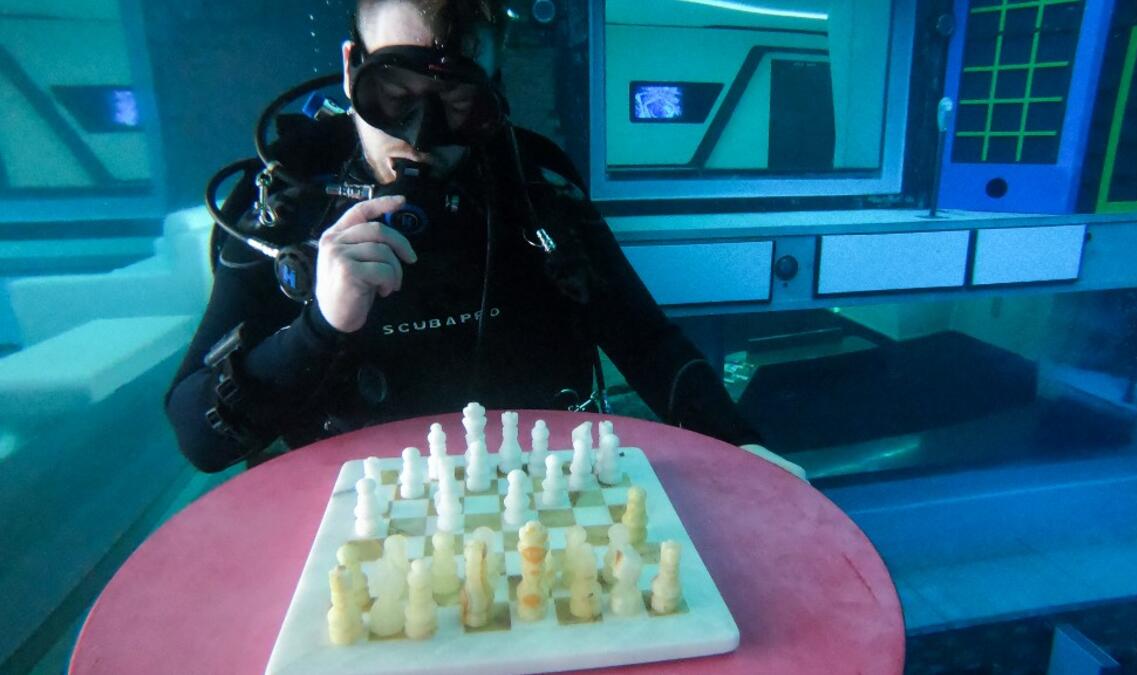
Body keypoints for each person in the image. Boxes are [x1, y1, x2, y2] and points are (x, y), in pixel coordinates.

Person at [166, 0, 773, 474]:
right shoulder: (288, 203)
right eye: (395, 94)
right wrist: (318, 326)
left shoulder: (534, 186)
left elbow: (646, 340)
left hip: (545, 504)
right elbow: (199, 438)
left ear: (494, 88)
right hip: (355, 522)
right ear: (352, 69)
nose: (421, 134)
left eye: (457, 100)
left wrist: (745, 447)